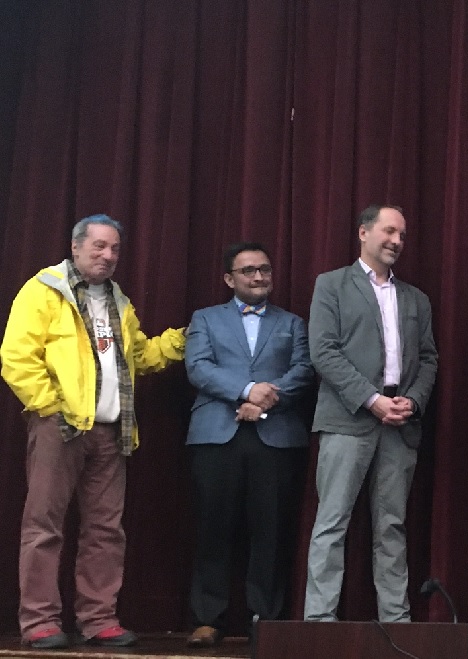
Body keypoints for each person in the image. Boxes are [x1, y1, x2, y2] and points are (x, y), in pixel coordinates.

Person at [0, 214, 186, 649]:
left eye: (115, 249)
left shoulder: (118, 300)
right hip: (58, 426)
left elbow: (139, 356)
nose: (108, 256)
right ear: (76, 246)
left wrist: (181, 341)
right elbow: (16, 357)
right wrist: (52, 408)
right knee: (44, 526)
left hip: (111, 432)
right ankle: (39, 622)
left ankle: (98, 618)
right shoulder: (44, 290)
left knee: (106, 530)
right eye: (99, 246)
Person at [304, 204, 438, 622]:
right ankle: (319, 626)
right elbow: (322, 351)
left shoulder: (416, 298)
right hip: (348, 420)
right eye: (389, 231)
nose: (397, 241)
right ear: (363, 232)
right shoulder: (331, 285)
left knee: (391, 528)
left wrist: (411, 401)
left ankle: (396, 625)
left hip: (400, 425)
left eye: (402, 235)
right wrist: (371, 399)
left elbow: (430, 359)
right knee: (332, 524)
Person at [183, 242, 315, 647]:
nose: (259, 277)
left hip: (275, 436)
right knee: (214, 527)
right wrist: (245, 391)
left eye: (265, 270)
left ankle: (266, 620)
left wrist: (265, 399)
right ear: (229, 278)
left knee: (270, 529)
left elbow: (305, 368)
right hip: (216, 434)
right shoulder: (204, 318)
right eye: (248, 271)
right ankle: (208, 618)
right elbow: (198, 366)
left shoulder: (292, 323)